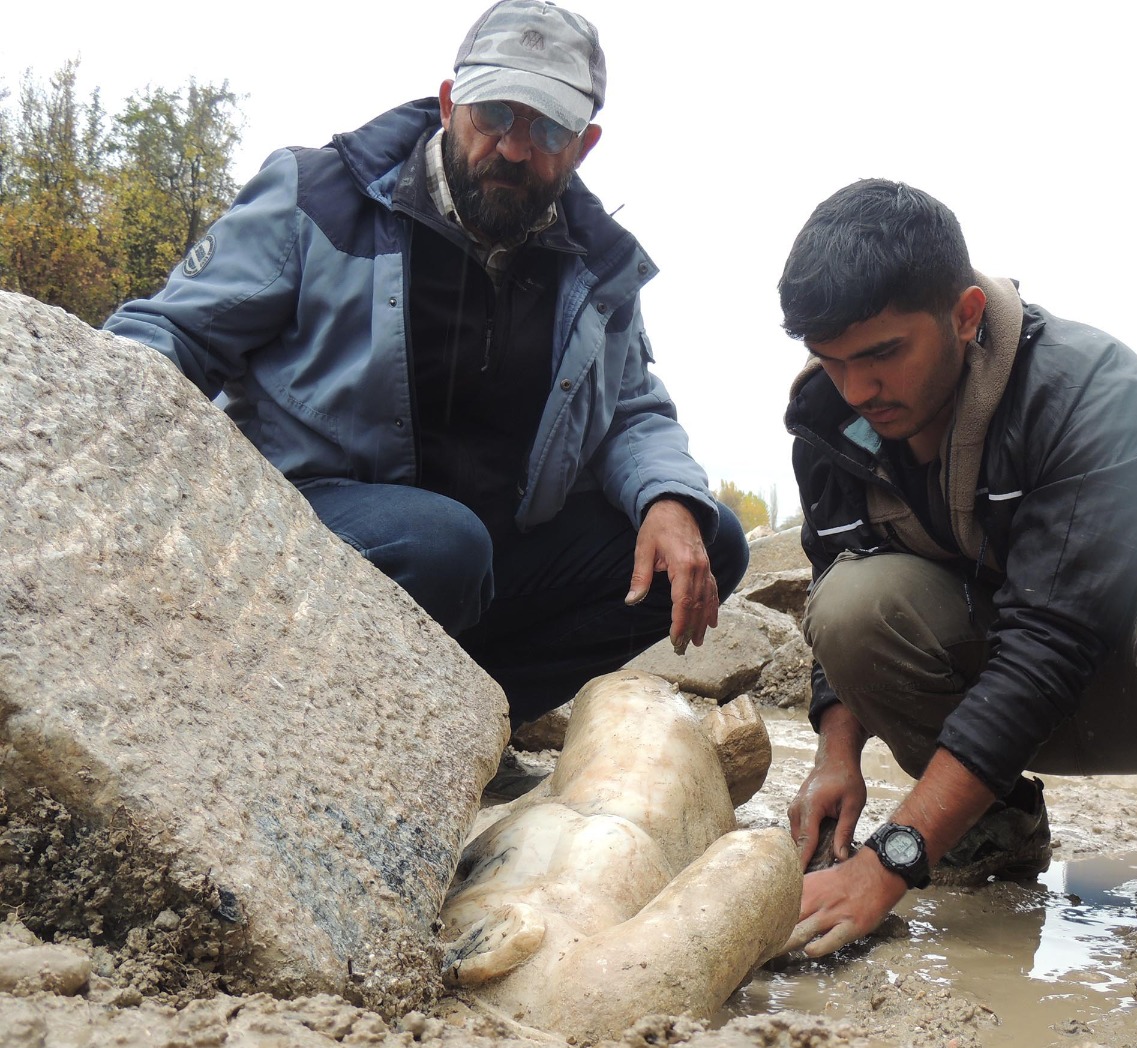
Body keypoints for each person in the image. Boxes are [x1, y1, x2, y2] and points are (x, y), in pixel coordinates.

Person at [104, 0, 746, 728]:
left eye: (547, 129)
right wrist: (96, 458)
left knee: (711, 539)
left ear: (584, 145)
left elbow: (630, 410)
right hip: (313, 527)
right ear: (451, 103)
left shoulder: (598, 268)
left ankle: (470, 722)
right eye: (495, 115)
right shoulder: (317, 198)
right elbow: (170, 333)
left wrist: (668, 498)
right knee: (442, 543)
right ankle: (305, 712)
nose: (512, 147)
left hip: (485, 562)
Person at [779, 179, 1137, 957]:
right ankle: (992, 821)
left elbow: (1048, 647)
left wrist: (892, 860)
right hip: (1005, 698)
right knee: (847, 604)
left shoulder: (1089, 390)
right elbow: (835, 578)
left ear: (965, 316)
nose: (857, 389)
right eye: (830, 362)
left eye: (883, 355)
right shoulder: (833, 428)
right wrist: (836, 757)